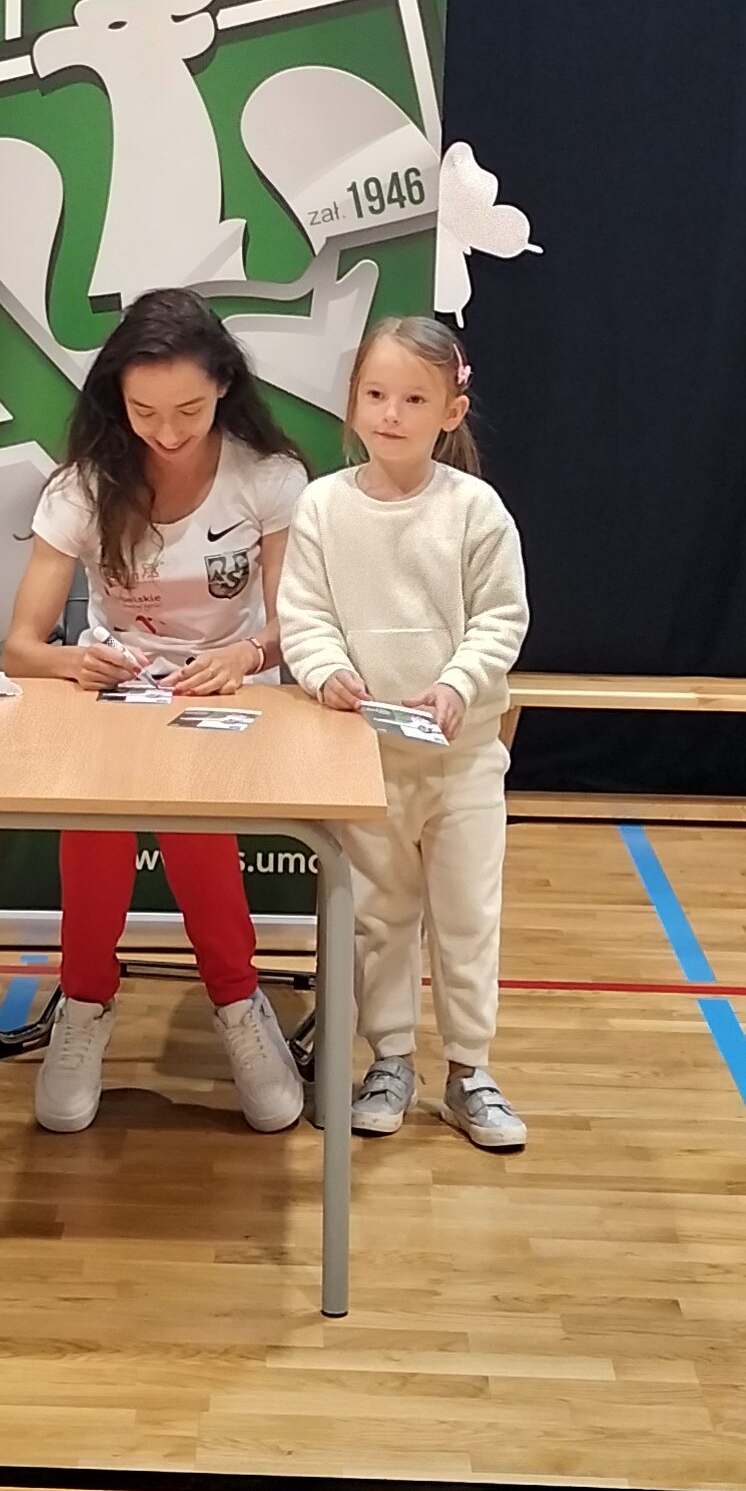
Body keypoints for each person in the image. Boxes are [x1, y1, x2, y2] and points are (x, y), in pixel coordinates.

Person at [0, 290, 313, 1136]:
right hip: (118, 694)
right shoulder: (83, 486)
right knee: (96, 821)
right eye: (144, 412)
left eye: (189, 411)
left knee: (191, 820)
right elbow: (22, 645)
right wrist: (74, 660)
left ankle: (239, 1004)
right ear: (117, 399)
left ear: (224, 387)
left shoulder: (268, 479)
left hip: (227, 692)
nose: (167, 432)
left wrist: (245, 656)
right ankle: (84, 1003)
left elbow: (294, 626)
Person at [274, 317, 531, 1152]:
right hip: (367, 762)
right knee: (379, 919)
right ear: (353, 403)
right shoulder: (323, 505)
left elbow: (500, 619)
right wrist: (325, 672)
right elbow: (304, 614)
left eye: (414, 399)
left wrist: (456, 685)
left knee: (466, 916)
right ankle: (390, 1061)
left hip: (463, 762)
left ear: (451, 411)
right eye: (376, 394)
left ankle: (470, 1071)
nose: (392, 413)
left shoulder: (475, 510)